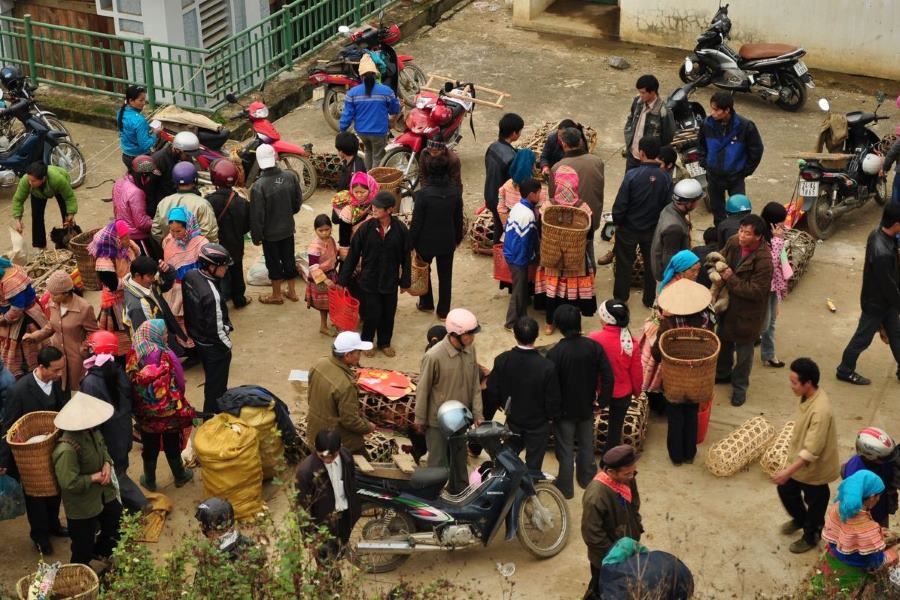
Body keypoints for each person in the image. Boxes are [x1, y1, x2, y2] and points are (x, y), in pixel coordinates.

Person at [0, 347, 67, 554]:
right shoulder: (19, 391)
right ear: (41, 367)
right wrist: (3, 461)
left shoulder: (56, 384)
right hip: (30, 456)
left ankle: (54, 525)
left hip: (53, 449)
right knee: (36, 496)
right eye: (55, 370)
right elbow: (9, 427)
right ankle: (40, 536)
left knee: (55, 490)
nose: (59, 374)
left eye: (61, 369)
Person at [773, 358, 840, 553]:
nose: (791, 386)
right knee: (786, 490)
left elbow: (811, 452)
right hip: (800, 462)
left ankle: (811, 536)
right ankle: (801, 519)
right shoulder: (806, 397)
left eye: (794, 382)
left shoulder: (820, 411)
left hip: (815, 469)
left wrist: (787, 471)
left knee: (816, 502)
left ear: (808, 383)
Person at [414, 308, 484, 494]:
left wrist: (478, 413)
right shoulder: (433, 356)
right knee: (436, 465)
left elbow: (475, 385)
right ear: (456, 334)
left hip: (461, 420)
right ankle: (430, 501)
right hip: (436, 423)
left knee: (459, 461)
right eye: (470, 334)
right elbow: (423, 390)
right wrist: (419, 419)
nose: (473, 338)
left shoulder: (471, 351)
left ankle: (459, 496)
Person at [547, 304, 613, 499]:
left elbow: (551, 386)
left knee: (565, 450)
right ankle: (586, 480)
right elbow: (608, 377)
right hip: (587, 407)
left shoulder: (555, 353)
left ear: (558, 326)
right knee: (586, 445)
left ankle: (566, 488)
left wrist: (552, 412)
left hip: (564, 412)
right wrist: (601, 402)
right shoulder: (593, 347)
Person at [79, 331, 148, 513]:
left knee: (116, 475)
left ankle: (141, 505)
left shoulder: (91, 382)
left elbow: (90, 417)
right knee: (121, 470)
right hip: (123, 432)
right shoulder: (117, 371)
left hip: (109, 437)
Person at [52, 391, 122, 565]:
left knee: (114, 522)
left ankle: (101, 551)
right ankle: (81, 576)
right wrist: (93, 478)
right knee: (82, 546)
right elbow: (69, 483)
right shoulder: (66, 449)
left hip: (104, 494)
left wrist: (107, 463)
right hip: (82, 506)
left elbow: (103, 448)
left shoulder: (91, 432)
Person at [126, 319, 195, 491]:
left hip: (145, 411)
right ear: (155, 335)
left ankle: (149, 479)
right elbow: (179, 381)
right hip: (169, 410)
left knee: (150, 444)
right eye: (163, 333)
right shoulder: (166, 354)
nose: (166, 336)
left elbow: (130, 381)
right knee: (172, 440)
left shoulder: (135, 352)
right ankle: (180, 475)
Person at [339, 191, 411, 357]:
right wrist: (342, 280)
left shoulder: (400, 230)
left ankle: (385, 342)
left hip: (390, 280)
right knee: (371, 314)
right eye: (374, 205)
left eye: (378, 207)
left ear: (390, 210)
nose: (374, 209)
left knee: (388, 313)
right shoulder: (366, 228)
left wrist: (405, 282)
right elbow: (353, 254)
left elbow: (406, 257)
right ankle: (367, 342)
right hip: (369, 280)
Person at [835, 203, 900, 385]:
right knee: (862, 338)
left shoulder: (877, 235)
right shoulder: (883, 252)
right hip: (877, 304)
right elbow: (888, 285)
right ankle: (845, 369)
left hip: (884, 302)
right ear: (895, 224)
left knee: (896, 334)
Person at [653, 280, 716, 465]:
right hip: (698, 378)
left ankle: (676, 456)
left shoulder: (668, 324)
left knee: (675, 416)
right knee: (691, 413)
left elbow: (657, 353)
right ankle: (690, 454)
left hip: (675, 379)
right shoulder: (706, 320)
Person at [486, 316, 561, 470]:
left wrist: (502, 402)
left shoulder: (502, 360)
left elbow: (492, 388)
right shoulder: (547, 367)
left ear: (514, 334)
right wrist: (550, 418)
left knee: (507, 456)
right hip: (538, 424)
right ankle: (529, 489)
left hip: (513, 420)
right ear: (536, 335)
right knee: (534, 463)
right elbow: (553, 400)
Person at [715, 215, 773, 407]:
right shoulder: (733, 242)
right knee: (723, 343)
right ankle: (722, 374)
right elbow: (719, 259)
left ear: (758, 236)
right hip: (727, 306)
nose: (741, 235)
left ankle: (740, 388)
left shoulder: (764, 260)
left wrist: (730, 278)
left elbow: (756, 291)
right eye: (741, 230)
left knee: (744, 355)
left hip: (748, 314)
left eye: (747, 233)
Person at [534, 166, 597, 333]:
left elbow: (539, 230)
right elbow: (590, 234)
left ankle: (549, 323)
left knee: (552, 291)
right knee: (572, 293)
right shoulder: (583, 208)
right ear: (576, 185)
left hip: (551, 257)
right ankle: (573, 325)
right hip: (575, 259)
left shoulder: (548, 206)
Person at [639, 251, 703, 415]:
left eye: (698, 270)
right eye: (692, 271)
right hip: (668, 334)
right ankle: (660, 405)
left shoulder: (686, 284)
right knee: (661, 372)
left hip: (674, 332)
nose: (696, 274)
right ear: (681, 271)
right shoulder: (671, 289)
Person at [612, 136, 672, 307]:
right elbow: (668, 206)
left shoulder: (632, 175)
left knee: (624, 263)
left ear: (641, 153)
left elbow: (621, 204)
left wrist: (618, 222)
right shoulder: (665, 178)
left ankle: (620, 298)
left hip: (628, 228)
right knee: (651, 264)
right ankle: (649, 298)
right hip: (653, 229)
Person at [815, 471, 900, 591]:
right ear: (871, 498)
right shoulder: (868, 528)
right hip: (853, 570)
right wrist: (892, 554)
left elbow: (841, 533)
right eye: (878, 495)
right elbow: (876, 563)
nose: (879, 499)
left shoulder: (837, 507)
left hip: (834, 556)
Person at [582, 445, 644, 599]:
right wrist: (615, 556)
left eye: (633, 472)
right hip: (606, 557)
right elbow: (592, 535)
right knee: (601, 588)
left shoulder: (628, 478)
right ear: (610, 472)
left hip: (626, 548)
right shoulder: (596, 496)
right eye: (627, 473)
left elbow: (634, 503)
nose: (632, 476)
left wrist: (636, 524)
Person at [410, 154, 465, 320]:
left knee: (424, 272)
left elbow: (417, 222)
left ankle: (426, 303)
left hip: (425, 241)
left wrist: (411, 243)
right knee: (445, 276)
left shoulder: (423, 195)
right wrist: (457, 239)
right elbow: (458, 219)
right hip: (447, 241)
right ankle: (443, 311)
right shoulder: (455, 192)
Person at [23, 270, 98, 392]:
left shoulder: (84, 308)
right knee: (60, 385)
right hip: (58, 356)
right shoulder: (53, 303)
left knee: (78, 388)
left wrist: (83, 348)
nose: (50, 297)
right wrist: (35, 336)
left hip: (76, 358)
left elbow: (94, 333)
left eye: (54, 294)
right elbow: (51, 326)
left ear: (66, 293)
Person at [697, 92, 764, 226]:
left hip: (735, 177)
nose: (713, 113)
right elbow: (701, 146)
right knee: (717, 211)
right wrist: (705, 163)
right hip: (714, 176)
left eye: (716, 110)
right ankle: (721, 234)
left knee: (740, 211)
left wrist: (745, 171)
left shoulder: (745, 126)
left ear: (727, 110)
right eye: (712, 109)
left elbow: (756, 150)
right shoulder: (706, 124)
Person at [295, 429, 362, 564]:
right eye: (323, 457)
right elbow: (302, 507)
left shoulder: (346, 457)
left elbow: (352, 481)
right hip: (323, 523)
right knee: (326, 564)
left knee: (339, 552)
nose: (328, 460)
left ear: (339, 448)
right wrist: (308, 536)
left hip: (344, 516)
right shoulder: (306, 472)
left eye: (332, 456)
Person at [182, 244, 234, 415]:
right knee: (216, 388)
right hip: (214, 348)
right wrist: (227, 347)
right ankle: (212, 421)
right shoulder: (212, 296)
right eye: (224, 266)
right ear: (211, 267)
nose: (226, 269)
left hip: (198, 339)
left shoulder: (190, 276)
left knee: (211, 382)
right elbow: (217, 330)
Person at [306, 332, 376, 455]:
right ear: (347, 355)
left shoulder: (319, 363)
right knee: (360, 461)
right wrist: (368, 427)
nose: (360, 356)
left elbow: (310, 396)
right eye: (358, 352)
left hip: (314, 432)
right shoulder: (346, 385)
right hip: (336, 442)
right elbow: (350, 421)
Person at [250, 144, 302, 305]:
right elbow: (297, 204)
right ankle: (292, 291)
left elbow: (257, 216)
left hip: (270, 234)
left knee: (273, 263)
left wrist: (257, 236)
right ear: (276, 157)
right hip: (287, 228)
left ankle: (277, 294)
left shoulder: (258, 186)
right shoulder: (291, 177)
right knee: (289, 259)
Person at [589, 300, 642, 454]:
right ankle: (610, 459)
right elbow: (636, 373)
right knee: (615, 429)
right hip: (622, 393)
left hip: (599, 391)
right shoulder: (631, 343)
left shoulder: (594, 339)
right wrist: (637, 392)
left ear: (604, 319)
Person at [338, 54, 401, 168]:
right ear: (375, 74)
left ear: (361, 76)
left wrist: (342, 129)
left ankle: (367, 179)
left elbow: (347, 115)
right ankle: (374, 181)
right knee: (377, 156)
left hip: (362, 132)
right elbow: (395, 109)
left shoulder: (352, 93)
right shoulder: (386, 91)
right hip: (379, 132)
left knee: (368, 151)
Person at [90, 220, 140, 359]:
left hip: (132, 293)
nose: (128, 239)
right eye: (124, 237)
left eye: (127, 236)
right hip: (116, 302)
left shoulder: (129, 247)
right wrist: (135, 279)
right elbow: (113, 285)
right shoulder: (105, 260)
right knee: (122, 333)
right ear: (115, 239)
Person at [205, 159, 251, 309]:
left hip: (217, 246)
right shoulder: (242, 202)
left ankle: (221, 301)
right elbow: (247, 226)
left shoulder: (209, 201)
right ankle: (239, 300)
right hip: (236, 244)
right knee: (237, 271)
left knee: (218, 273)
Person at [162, 207, 209, 347]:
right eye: (172, 231)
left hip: (196, 288)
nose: (175, 234)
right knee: (181, 320)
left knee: (198, 319)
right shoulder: (168, 242)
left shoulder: (201, 243)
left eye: (179, 231)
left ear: (188, 226)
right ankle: (189, 348)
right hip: (176, 290)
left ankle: (201, 348)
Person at [501, 178, 541, 329]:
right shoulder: (528, 215)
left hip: (511, 253)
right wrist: (531, 258)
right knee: (518, 292)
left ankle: (523, 316)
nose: (540, 197)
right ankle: (510, 323)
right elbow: (525, 242)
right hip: (518, 258)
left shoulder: (517, 207)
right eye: (538, 193)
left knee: (522, 287)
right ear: (531, 194)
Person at [11, 162, 78, 250]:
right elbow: (18, 199)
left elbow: (69, 197)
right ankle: (40, 246)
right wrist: (17, 219)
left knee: (67, 217)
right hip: (37, 193)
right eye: (29, 180)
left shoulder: (58, 179)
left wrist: (71, 214)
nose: (30, 183)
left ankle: (69, 243)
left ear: (43, 178)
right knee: (36, 216)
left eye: (33, 181)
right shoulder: (26, 181)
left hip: (59, 189)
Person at [0, 258, 48, 376]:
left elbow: (17, 308)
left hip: (25, 317)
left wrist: (5, 319)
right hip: (20, 313)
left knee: (25, 344)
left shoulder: (10, 282)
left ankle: (30, 367)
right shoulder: (7, 270)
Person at [842, 427, 899, 527]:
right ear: (870, 456)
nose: (889, 459)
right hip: (866, 519)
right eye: (886, 458)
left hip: (881, 510)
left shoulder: (883, 458)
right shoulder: (854, 473)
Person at [650, 178, 703, 284]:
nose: (698, 204)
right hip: (668, 278)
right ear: (688, 203)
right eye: (697, 201)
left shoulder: (669, 208)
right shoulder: (674, 228)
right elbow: (669, 261)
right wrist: (673, 283)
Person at [151, 160, 219, 243]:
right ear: (195, 180)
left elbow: (156, 230)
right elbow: (210, 234)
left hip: (171, 253)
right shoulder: (202, 204)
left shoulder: (163, 202)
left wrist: (167, 244)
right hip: (196, 253)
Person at [551, 127, 605, 231]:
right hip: (592, 219)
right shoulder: (597, 161)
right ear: (580, 141)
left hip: (571, 225)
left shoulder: (557, 168)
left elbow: (554, 199)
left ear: (564, 144)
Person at [122, 255, 182, 347]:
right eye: (150, 276)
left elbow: (166, 286)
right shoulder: (137, 306)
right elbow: (144, 338)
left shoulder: (146, 282)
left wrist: (168, 270)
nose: (154, 279)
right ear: (137, 275)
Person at [484, 113, 524, 243]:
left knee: (498, 226)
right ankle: (502, 257)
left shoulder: (492, 147)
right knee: (505, 230)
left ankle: (498, 255)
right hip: (502, 201)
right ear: (514, 134)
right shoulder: (512, 157)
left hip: (489, 194)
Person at [624, 74, 675, 170]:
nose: (640, 95)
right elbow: (631, 119)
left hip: (649, 160)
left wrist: (656, 154)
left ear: (652, 92)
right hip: (632, 155)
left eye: (643, 93)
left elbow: (668, 137)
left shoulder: (663, 112)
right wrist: (628, 138)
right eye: (639, 92)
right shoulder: (637, 102)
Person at [760, 202, 790, 368]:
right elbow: (770, 262)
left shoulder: (773, 234)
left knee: (770, 322)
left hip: (773, 286)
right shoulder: (763, 237)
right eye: (780, 222)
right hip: (764, 286)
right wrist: (778, 241)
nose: (782, 225)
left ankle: (769, 354)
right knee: (765, 323)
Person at [113, 155, 159, 257]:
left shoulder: (119, 182)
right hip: (137, 238)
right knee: (149, 266)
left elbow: (116, 209)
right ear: (143, 176)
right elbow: (142, 223)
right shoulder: (136, 192)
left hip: (123, 233)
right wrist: (158, 222)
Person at [149, 131, 202, 211]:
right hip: (164, 204)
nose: (190, 158)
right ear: (177, 150)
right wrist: (153, 211)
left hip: (180, 203)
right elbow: (150, 188)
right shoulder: (159, 160)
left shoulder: (186, 158)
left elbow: (191, 180)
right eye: (187, 155)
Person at [497, 148, 548, 227]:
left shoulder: (506, 186)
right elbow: (541, 214)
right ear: (532, 166)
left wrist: (507, 227)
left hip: (512, 228)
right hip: (530, 229)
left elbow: (501, 210)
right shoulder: (538, 189)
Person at [333, 170, 379, 259]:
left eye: (362, 192)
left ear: (370, 190)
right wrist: (344, 256)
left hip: (371, 250)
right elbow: (344, 237)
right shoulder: (348, 210)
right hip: (353, 250)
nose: (359, 195)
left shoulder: (375, 206)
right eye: (356, 192)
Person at [306, 214, 340, 336]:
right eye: (321, 230)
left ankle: (334, 321)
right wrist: (325, 280)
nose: (324, 233)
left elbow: (335, 252)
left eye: (327, 229)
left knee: (332, 301)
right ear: (315, 230)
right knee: (324, 305)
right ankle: (323, 326)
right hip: (320, 278)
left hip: (331, 274)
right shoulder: (314, 247)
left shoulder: (331, 240)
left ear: (331, 228)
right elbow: (313, 266)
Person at [117, 84, 159, 168]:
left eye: (144, 100)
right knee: (158, 174)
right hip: (140, 159)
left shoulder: (121, 112)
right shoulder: (140, 120)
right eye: (141, 100)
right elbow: (145, 145)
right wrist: (155, 134)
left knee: (135, 179)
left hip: (126, 156)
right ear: (131, 101)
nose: (144, 103)